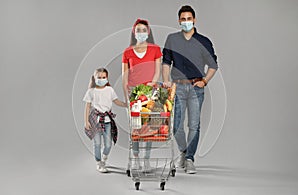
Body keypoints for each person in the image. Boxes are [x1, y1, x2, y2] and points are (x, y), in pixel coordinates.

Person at [162, 5, 218, 174]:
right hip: (177, 87)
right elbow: (166, 63)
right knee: (176, 126)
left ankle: (190, 159)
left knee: (194, 125)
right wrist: (166, 81)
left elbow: (213, 65)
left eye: (189, 18)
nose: (186, 22)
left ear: (194, 20)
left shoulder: (204, 41)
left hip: (196, 88)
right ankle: (183, 150)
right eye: (183, 19)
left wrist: (205, 81)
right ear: (179, 21)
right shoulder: (172, 39)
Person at [122, 19, 162, 170]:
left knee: (149, 127)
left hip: (150, 93)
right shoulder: (127, 52)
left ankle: (146, 159)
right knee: (135, 127)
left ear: (148, 32)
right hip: (133, 93)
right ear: (134, 32)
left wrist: (152, 84)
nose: (141, 33)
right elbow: (124, 75)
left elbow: (157, 71)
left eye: (144, 30)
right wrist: (126, 94)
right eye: (138, 30)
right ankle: (135, 158)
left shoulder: (155, 49)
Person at [83, 68, 127, 173]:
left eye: (104, 77)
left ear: (107, 78)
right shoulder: (91, 91)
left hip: (107, 120)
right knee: (97, 143)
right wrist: (86, 121)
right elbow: (87, 107)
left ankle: (104, 159)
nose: (102, 79)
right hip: (96, 120)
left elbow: (116, 101)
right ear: (95, 78)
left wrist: (126, 105)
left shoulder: (110, 90)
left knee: (108, 144)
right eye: (99, 77)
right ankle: (99, 163)